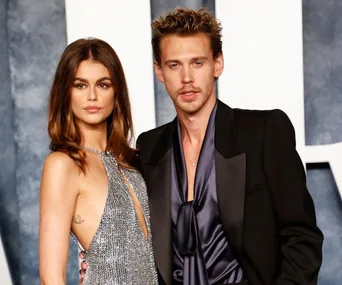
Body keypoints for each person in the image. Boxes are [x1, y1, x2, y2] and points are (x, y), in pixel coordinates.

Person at [81, 7, 324, 285]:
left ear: (217, 64)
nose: (187, 78)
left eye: (197, 63)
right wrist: (101, 266)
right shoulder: (149, 149)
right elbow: (138, 243)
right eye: (174, 65)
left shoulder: (264, 132)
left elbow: (302, 237)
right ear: (159, 70)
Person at [39, 38, 158, 285]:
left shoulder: (133, 162)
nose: (92, 96)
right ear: (65, 92)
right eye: (80, 85)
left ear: (116, 92)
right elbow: (51, 277)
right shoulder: (63, 165)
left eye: (103, 85)